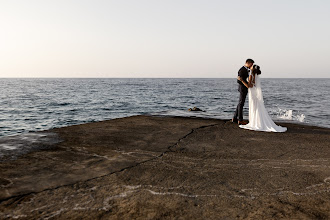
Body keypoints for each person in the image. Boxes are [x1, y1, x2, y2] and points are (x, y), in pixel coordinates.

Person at [237, 65, 287, 132]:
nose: (250, 67)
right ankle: (257, 120)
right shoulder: (255, 75)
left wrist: (241, 80)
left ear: (253, 69)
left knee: (254, 106)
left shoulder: (251, 75)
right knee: (256, 106)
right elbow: (253, 83)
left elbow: (249, 86)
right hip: (254, 92)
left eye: (252, 66)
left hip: (252, 92)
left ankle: (255, 121)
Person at [232, 59, 254, 125]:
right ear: (248, 63)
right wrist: (247, 85)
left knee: (240, 103)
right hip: (242, 88)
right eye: (251, 64)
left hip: (244, 88)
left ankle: (235, 117)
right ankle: (240, 120)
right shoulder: (242, 70)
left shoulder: (246, 69)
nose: (252, 65)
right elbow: (239, 80)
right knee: (241, 104)